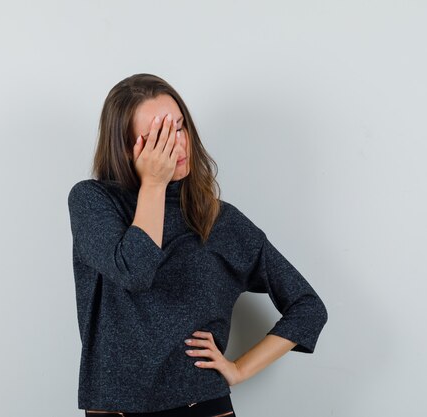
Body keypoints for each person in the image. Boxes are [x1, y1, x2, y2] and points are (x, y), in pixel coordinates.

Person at [67, 73, 328, 417]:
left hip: (201, 405)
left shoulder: (221, 220)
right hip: (114, 409)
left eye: (178, 127)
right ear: (126, 147)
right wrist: (154, 186)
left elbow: (308, 307)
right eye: (156, 137)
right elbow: (136, 270)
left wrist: (239, 369)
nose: (175, 144)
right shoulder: (93, 202)